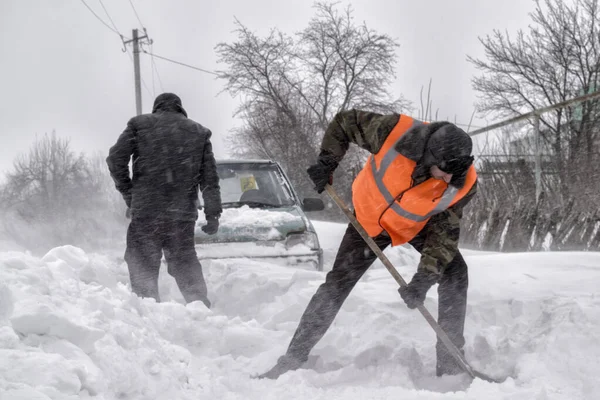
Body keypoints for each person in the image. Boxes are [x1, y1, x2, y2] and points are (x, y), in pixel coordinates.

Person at [259, 110, 477, 379]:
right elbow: (345, 122)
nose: (446, 181)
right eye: (443, 172)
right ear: (431, 155)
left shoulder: (460, 182)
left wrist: (423, 279)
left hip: (417, 225)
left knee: (455, 272)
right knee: (337, 283)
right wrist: (328, 161)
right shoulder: (393, 132)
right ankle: (293, 357)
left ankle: (451, 362)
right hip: (370, 219)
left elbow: (444, 236)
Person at [106, 93, 221, 308]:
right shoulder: (199, 133)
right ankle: (199, 308)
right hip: (181, 214)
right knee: (185, 262)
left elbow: (115, 159)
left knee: (142, 263)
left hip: (147, 212)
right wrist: (212, 213)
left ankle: (148, 310)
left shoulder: (138, 125)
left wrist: (131, 195)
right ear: (180, 109)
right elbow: (210, 178)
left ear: (156, 108)